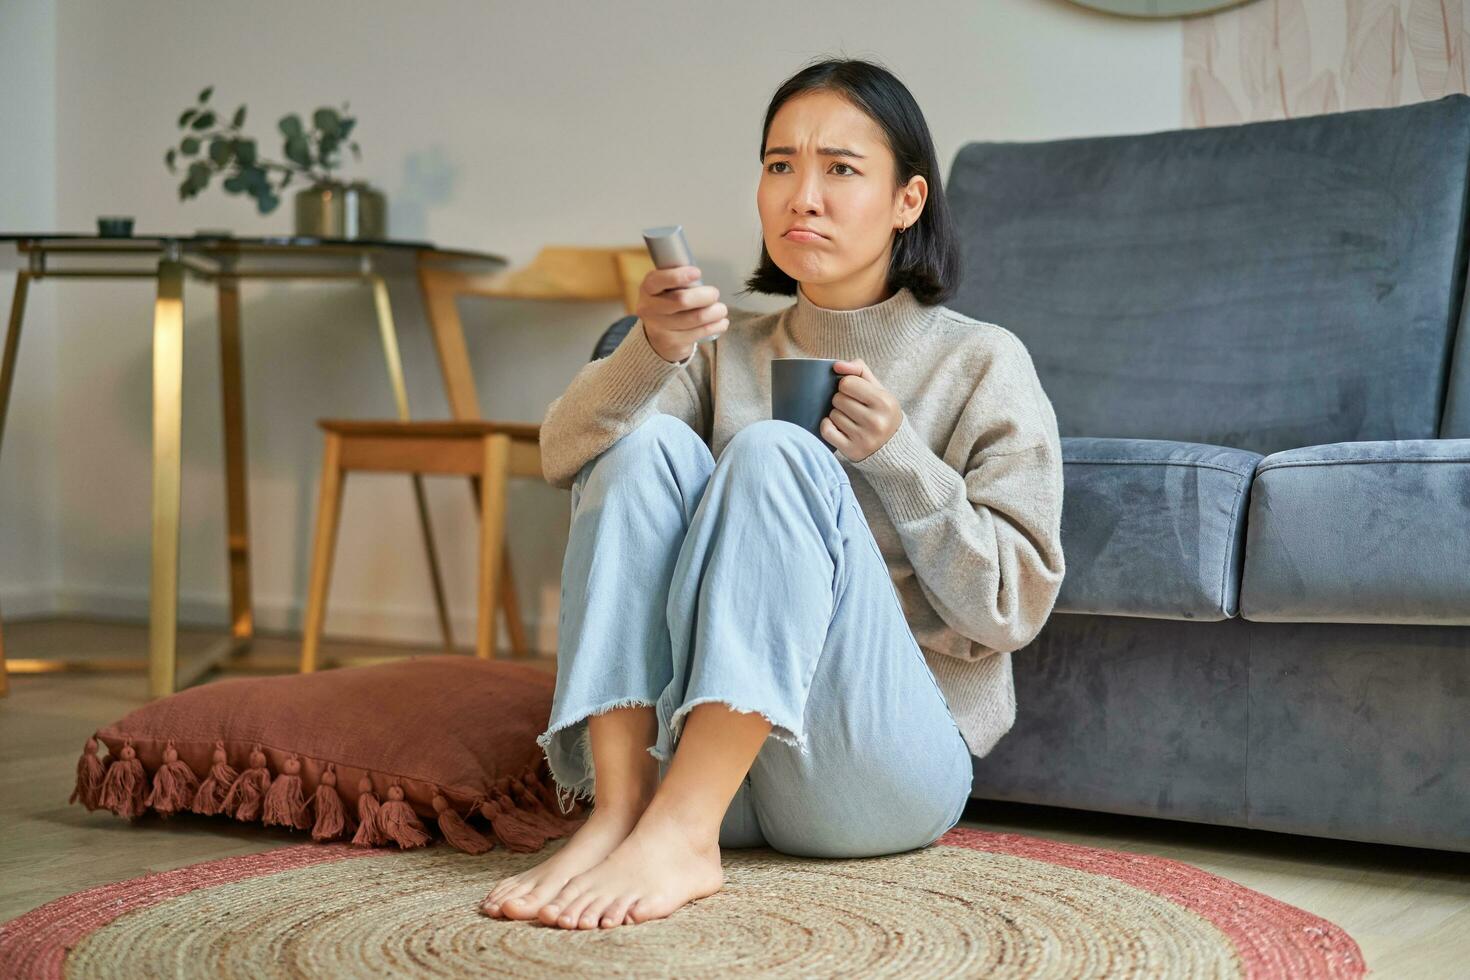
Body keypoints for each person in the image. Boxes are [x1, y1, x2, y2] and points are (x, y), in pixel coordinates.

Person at [481, 57, 1065, 930]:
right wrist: (652, 347)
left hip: (877, 776)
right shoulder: (724, 350)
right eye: (780, 164)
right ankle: (620, 814)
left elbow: (1012, 608)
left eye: (841, 168)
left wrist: (899, 458)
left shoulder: (981, 360)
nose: (804, 195)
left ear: (909, 201)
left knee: (772, 455)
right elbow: (564, 453)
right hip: (711, 773)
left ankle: (677, 835)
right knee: (638, 449)